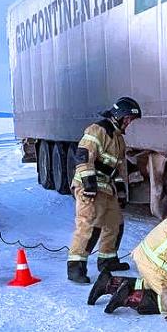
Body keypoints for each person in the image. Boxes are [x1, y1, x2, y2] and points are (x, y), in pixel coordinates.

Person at [67, 96, 142, 284]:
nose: (129, 123)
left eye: (131, 121)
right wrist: (89, 185)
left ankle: (108, 260)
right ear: (117, 116)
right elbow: (83, 157)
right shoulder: (97, 131)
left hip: (107, 189)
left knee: (115, 224)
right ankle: (75, 267)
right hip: (89, 188)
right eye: (127, 119)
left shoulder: (117, 138)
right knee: (88, 226)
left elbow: (116, 168)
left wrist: (120, 190)